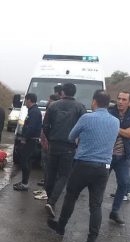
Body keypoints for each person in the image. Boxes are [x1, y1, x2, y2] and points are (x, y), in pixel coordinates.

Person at [47, 90, 119, 242]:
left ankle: (61, 227)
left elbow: (71, 136)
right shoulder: (115, 122)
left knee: (71, 196)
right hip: (103, 169)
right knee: (96, 205)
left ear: (94, 102)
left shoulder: (87, 118)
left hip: (83, 165)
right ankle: (92, 241)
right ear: (108, 104)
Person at [43, 83, 86, 216]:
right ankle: (52, 201)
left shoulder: (53, 105)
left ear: (62, 92)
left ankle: (50, 199)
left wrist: (50, 138)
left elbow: (45, 125)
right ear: (74, 92)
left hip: (54, 144)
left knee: (50, 173)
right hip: (69, 146)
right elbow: (83, 126)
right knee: (63, 175)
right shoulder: (80, 107)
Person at [107, 91, 130, 225]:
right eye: (119, 98)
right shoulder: (109, 112)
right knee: (99, 183)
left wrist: (116, 128)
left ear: (129, 102)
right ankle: (94, 208)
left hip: (123, 157)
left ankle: (114, 212)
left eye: (124, 99)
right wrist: (125, 130)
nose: (120, 101)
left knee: (124, 184)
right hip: (107, 155)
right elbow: (106, 129)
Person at [13, 93, 42, 191]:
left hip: (30, 140)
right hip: (30, 139)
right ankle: (24, 181)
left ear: (29, 100)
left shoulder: (34, 112)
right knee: (26, 161)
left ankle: (25, 184)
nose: (25, 102)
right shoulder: (33, 111)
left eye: (26, 100)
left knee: (25, 161)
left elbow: (31, 127)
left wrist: (24, 138)